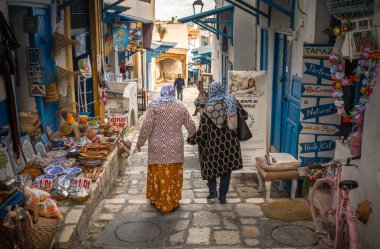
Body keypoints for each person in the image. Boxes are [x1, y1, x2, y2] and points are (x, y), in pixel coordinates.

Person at [135, 85, 196, 213]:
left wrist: (140, 142)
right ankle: (172, 201)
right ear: (173, 92)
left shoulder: (154, 106)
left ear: (162, 93)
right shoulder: (180, 106)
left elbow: (146, 126)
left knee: (157, 174)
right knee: (173, 175)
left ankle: (156, 199)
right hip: (175, 148)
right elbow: (191, 125)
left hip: (157, 148)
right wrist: (192, 136)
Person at [188, 81, 243, 204]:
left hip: (212, 146)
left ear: (212, 91)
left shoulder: (208, 108)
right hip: (229, 144)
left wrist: (192, 140)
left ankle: (212, 190)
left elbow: (202, 131)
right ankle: (222, 196)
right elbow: (244, 116)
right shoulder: (231, 101)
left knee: (211, 167)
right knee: (226, 170)